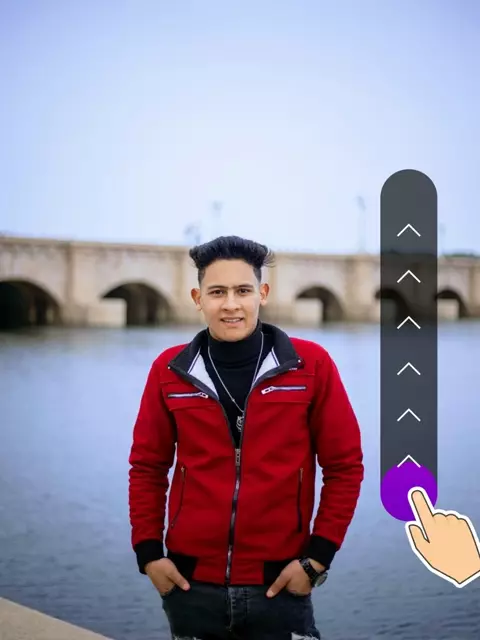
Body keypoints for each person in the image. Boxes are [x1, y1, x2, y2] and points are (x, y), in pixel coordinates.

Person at [128, 236, 364, 640]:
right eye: (217, 292)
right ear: (197, 298)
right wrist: (149, 554)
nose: (231, 304)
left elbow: (345, 467)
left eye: (243, 290)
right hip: (190, 584)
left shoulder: (311, 366)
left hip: (281, 583)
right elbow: (148, 467)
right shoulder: (169, 371)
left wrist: (317, 560)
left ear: (263, 294)